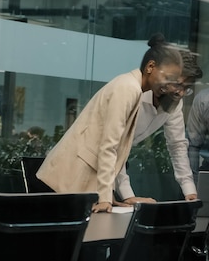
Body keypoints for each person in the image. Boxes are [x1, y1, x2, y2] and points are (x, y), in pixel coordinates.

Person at [36, 33, 183, 213]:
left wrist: (110, 196)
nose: (170, 86)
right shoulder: (127, 88)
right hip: (65, 181)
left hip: (75, 183)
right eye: (167, 77)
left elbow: (117, 148)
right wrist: (105, 198)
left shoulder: (134, 89)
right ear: (150, 67)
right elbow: (109, 146)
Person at [114, 52, 204, 205]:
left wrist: (189, 190)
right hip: (94, 161)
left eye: (186, 88)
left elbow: (177, 145)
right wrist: (127, 195)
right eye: (178, 84)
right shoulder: (134, 94)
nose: (180, 92)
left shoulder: (174, 103)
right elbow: (115, 146)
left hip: (114, 165)